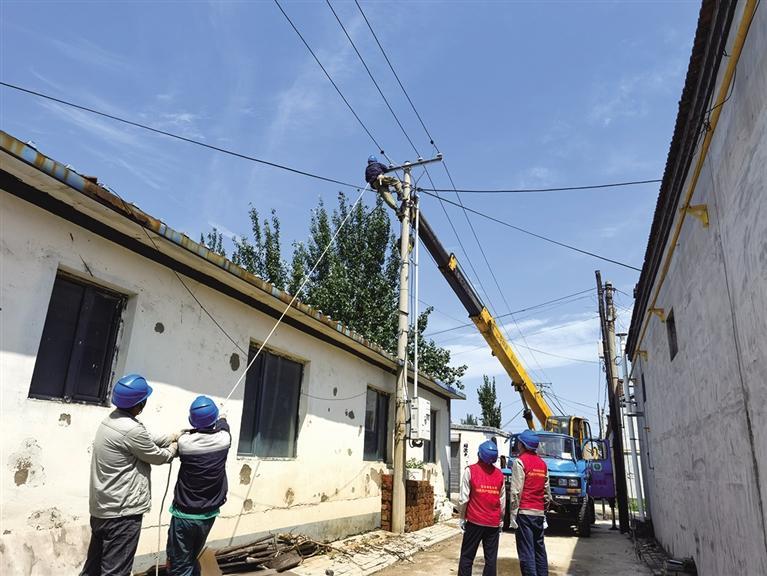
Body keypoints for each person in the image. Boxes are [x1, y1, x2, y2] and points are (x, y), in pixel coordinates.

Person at [81, 374, 178, 576]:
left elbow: (146, 438)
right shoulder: (131, 429)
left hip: (102, 510)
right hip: (122, 515)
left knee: (93, 569)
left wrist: (172, 436)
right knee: (116, 572)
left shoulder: (112, 420)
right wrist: (175, 448)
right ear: (140, 403)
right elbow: (157, 456)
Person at [166, 396, 231, 576]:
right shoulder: (224, 439)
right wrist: (222, 417)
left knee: (180, 565)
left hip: (184, 515)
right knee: (192, 558)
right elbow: (224, 426)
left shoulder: (185, 443)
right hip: (208, 515)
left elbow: (184, 437)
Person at [457, 440, 505, 576]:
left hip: (474, 522)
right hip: (493, 524)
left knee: (467, 557)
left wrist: (462, 517)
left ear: (479, 454)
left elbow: (464, 498)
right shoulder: (499, 475)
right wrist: (501, 520)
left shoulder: (470, 471)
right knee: (491, 559)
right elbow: (502, 501)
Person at [509, 429, 552, 576]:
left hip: (525, 513)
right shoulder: (542, 464)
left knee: (526, 551)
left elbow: (516, 491)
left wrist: (513, 515)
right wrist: (544, 511)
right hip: (538, 513)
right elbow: (547, 492)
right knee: (539, 549)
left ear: (522, 445)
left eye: (519, 443)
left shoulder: (520, 462)